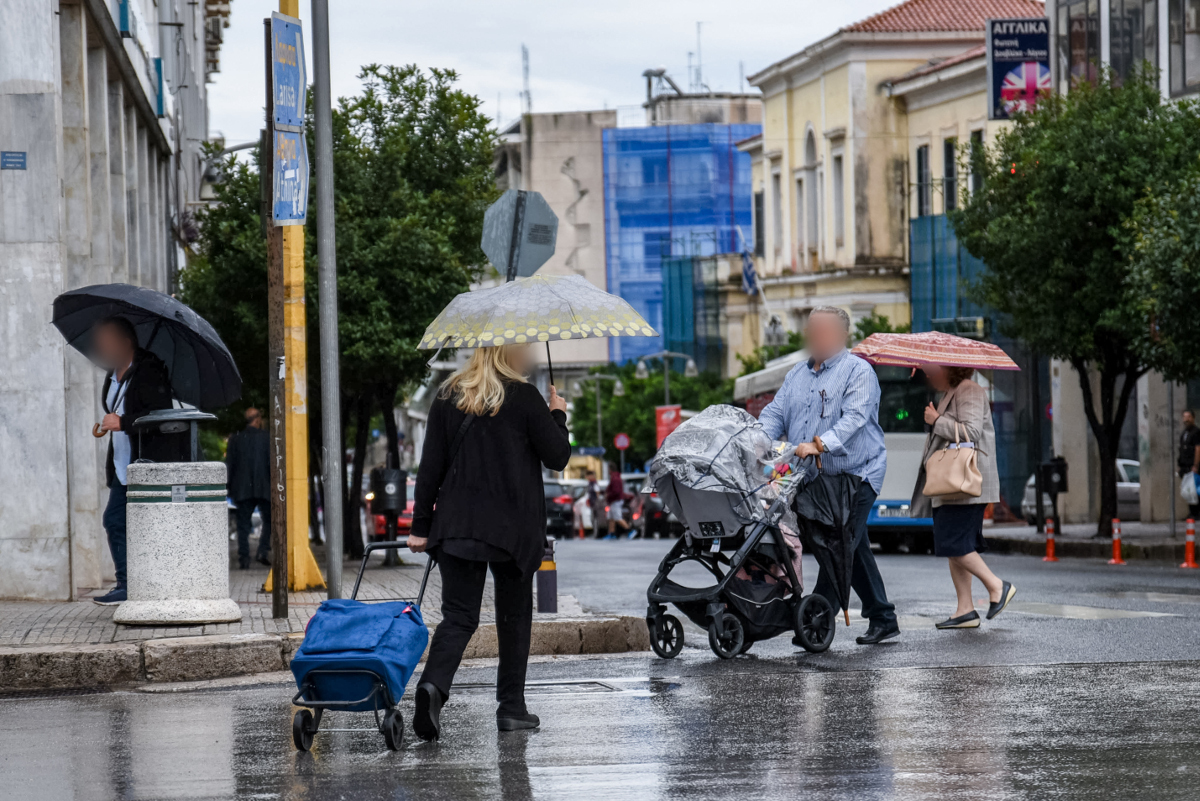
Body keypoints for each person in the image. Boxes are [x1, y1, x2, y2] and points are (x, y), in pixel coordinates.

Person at [407, 344, 570, 739]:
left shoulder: (449, 395)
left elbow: (430, 467)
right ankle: (512, 708)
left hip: (458, 525)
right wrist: (558, 413)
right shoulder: (526, 397)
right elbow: (558, 457)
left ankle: (433, 687)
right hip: (513, 530)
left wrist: (420, 526)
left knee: (459, 616)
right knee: (514, 618)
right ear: (511, 354)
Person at [758, 306, 900, 645]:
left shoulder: (858, 372)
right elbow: (774, 414)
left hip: (856, 474)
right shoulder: (796, 375)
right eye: (811, 330)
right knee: (851, 544)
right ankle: (883, 616)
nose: (815, 337)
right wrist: (755, 439)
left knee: (840, 542)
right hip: (811, 479)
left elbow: (854, 419)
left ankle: (817, 618)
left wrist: (819, 444)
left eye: (823, 331)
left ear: (841, 335)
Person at [911, 365, 1015, 629]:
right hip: (952, 484)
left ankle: (997, 586)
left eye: (933, 370)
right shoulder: (952, 392)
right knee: (955, 546)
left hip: (966, 483)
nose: (929, 375)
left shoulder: (968, 389)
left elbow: (971, 432)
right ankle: (965, 610)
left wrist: (937, 420)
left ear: (950, 369)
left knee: (953, 543)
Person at [92, 316, 181, 605]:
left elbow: (160, 415)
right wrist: (112, 423)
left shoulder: (149, 370)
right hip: (122, 465)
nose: (100, 346)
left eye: (106, 340)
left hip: (147, 463)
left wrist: (124, 422)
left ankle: (137, 585)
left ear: (125, 342)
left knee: (128, 522)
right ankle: (129, 585)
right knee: (117, 521)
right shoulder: (113, 374)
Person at [226, 408, 272, 569]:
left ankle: (244, 559)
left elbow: (230, 466)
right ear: (257, 419)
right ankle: (262, 551)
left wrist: (230, 488)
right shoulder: (268, 438)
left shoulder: (235, 439)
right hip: (265, 487)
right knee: (270, 520)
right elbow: (272, 464)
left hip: (242, 489)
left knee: (243, 525)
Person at [1178, 410, 1200, 520]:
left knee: (1195, 490)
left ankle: (1196, 513)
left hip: (1192, 466)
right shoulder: (1184, 433)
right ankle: (1192, 512)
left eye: (1189, 417)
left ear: (1193, 418)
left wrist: (1195, 465)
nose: (1186, 419)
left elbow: (1198, 449)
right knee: (1188, 490)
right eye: (1184, 417)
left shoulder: (1196, 432)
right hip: (1184, 466)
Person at [605, 463, 631, 539]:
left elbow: (616, 491)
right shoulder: (614, 477)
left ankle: (629, 530)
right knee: (611, 517)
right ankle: (611, 533)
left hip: (615, 500)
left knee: (617, 517)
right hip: (613, 501)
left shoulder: (615, 478)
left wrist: (608, 495)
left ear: (610, 469)